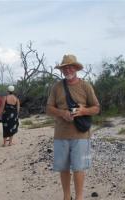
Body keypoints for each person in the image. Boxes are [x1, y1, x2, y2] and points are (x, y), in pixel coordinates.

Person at [46, 54, 100, 200]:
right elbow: (49, 108)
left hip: (81, 135)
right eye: (64, 67)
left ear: (76, 68)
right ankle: (66, 196)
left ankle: (79, 197)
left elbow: (96, 108)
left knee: (79, 168)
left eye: (70, 67)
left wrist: (83, 111)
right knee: (63, 169)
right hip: (61, 134)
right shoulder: (56, 87)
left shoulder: (85, 86)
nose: (67, 70)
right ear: (62, 70)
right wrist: (62, 113)